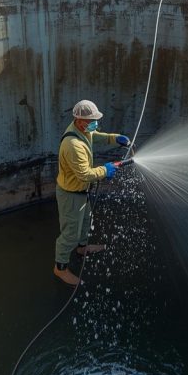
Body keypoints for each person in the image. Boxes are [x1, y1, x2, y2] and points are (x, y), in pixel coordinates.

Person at [54, 99, 130, 285]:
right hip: (71, 195)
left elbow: (96, 135)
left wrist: (114, 137)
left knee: (86, 220)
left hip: (80, 192)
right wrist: (106, 169)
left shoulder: (82, 130)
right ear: (80, 121)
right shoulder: (73, 144)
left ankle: (82, 248)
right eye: (92, 121)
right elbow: (85, 175)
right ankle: (60, 268)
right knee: (69, 233)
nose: (95, 123)